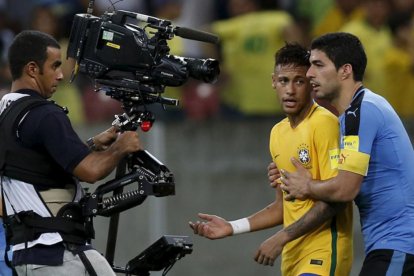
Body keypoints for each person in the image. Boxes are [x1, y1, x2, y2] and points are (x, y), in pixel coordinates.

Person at [189, 43, 353, 276]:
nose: (290, 90)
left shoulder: (324, 124)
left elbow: (338, 198)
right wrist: (232, 227)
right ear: (273, 81)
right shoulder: (278, 132)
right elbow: (282, 207)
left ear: (311, 83)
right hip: (292, 257)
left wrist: (280, 237)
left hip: (323, 252)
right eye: (284, 81)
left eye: (299, 81)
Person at [0, 30, 141, 275]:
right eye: (54, 66)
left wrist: (90, 145)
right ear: (32, 69)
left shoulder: (6, 111)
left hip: (26, 256)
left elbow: (29, 163)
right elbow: (90, 171)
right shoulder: (44, 114)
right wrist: (121, 146)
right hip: (59, 253)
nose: (61, 75)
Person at [279, 32, 414, 275]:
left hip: (400, 241)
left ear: (345, 71)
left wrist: (307, 186)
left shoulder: (360, 112)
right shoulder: (357, 113)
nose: (309, 74)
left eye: (318, 65)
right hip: (391, 244)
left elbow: (344, 189)